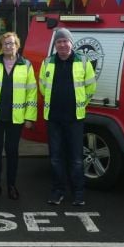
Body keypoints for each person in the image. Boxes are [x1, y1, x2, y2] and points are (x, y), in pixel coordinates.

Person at [39, 28, 96, 206]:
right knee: (55, 158)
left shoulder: (83, 62)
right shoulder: (47, 62)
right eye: (59, 42)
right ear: (55, 45)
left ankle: (78, 193)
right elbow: (42, 87)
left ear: (72, 43)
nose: (62, 44)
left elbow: (90, 88)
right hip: (54, 118)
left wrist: (80, 105)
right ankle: (58, 191)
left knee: (76, 158)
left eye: (65, 41)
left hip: (74, 119)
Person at [0, 32, 37, 200]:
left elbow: (31, 93)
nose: (8, 46)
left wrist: (29, 117)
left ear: (17, 46)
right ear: (1, 46)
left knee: (12, 152)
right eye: (5, 44)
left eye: (11, 43)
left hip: (16, 118)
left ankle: (11, 185)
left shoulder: (26, 65)